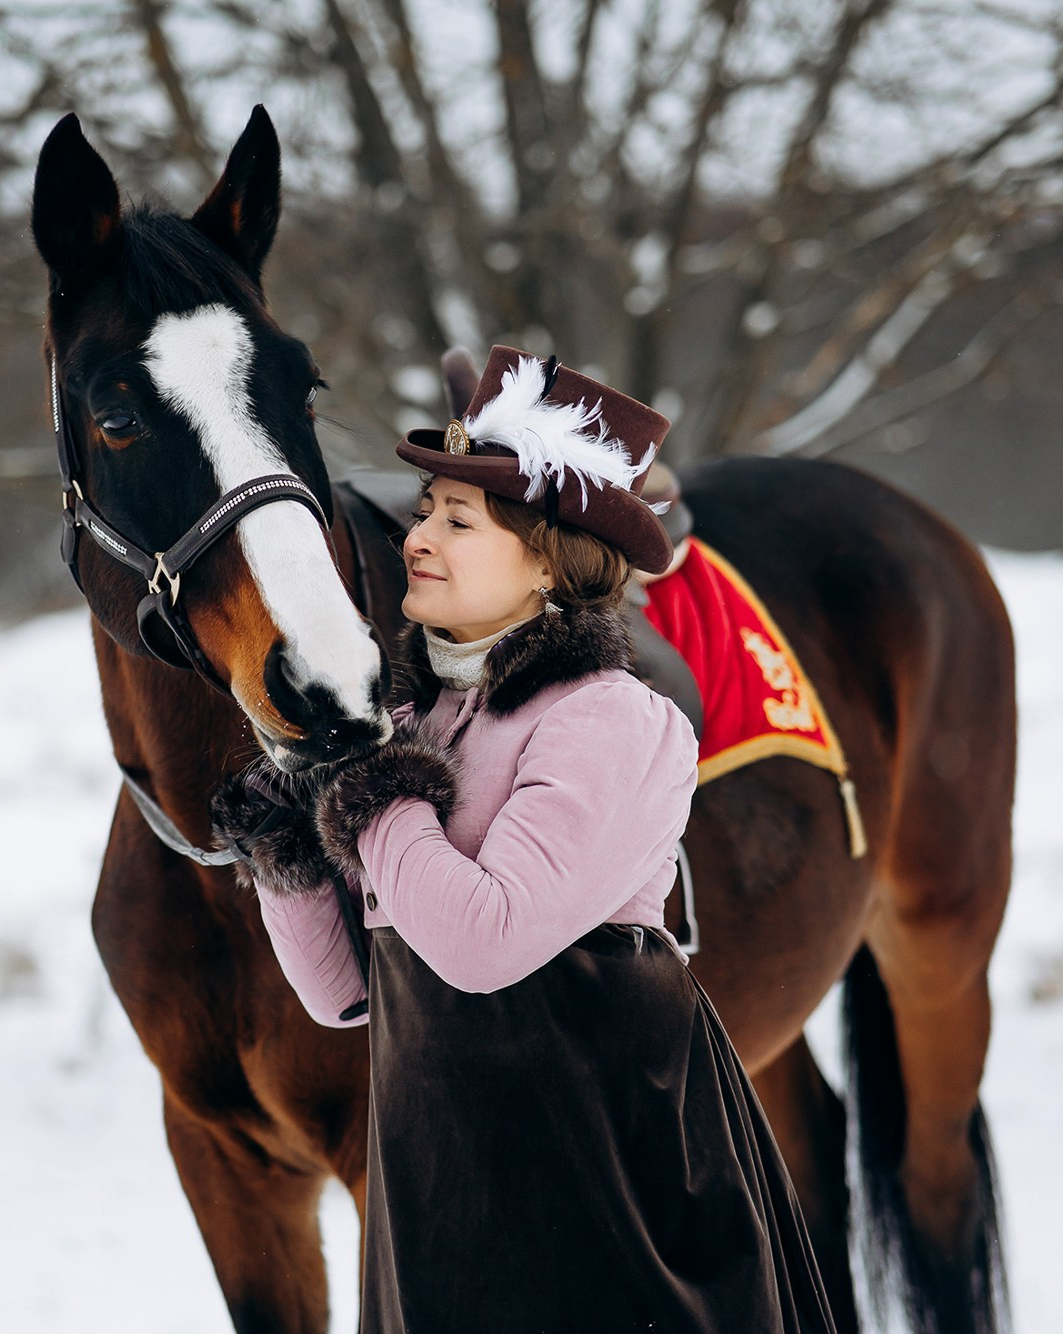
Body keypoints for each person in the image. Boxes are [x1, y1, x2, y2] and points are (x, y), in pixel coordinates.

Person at [211, 347, 837, 1334]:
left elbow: (480, 941)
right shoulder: (419, 723)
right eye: (424, 510)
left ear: (547, 557)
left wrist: (373, 789)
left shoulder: (607, 718)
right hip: (446, 1166)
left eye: (456, 519)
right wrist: (285, 847)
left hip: (598, 1168)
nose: (418, 533)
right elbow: (346, 991)